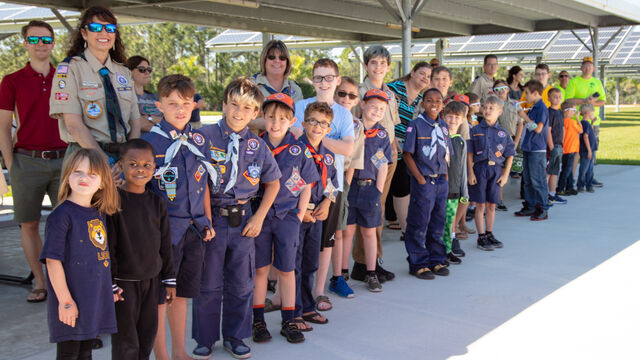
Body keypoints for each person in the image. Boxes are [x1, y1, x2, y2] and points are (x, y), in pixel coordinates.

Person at [193, 78, 281, 359]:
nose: (239, 112)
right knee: (208, 282)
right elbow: (199, 184)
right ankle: (205, 338)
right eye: (233, 104)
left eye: (247, 107)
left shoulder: (257, 145)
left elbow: (274, 183)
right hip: (213, 220)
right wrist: (204, 220)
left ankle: (235, 336)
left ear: (255, 113)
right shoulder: (204, 137)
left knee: (241, 282)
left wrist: (258, 218)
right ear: (223, 105)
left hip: (244, 220)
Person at [141, 74, 216, 360]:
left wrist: (206, 220)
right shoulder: (149, 145)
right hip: (163, 234)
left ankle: (180, 352)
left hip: (194, 231)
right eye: (172, 103)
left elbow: (204, 184)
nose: (180, 109)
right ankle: (161, 355)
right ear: (159, 105)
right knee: (160, 298)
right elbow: (141, 194)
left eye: (186, 102)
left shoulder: (199, 140)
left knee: (182, 294)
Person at [0, 20, 67, 303]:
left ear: (53, 43)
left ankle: (65, 282)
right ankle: (40, 282)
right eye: (35, 39)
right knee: (29, 224)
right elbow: (3, 126)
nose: (41, 44)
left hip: (64, 159)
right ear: (25, 43)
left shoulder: (65, 78)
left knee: (68, 222)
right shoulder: (12, 81)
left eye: (46, 39)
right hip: (26, 161)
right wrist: (11, 164)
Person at [39, 148, 120, 359]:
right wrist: (65, 301)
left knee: (85, 353)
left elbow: (97, 257)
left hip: (92, 300)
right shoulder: (61, 215)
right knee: (69, 354)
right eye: (77, 172)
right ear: (67, 176)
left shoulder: (98, 214)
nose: (84, 178)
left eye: (92, 174)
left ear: (102, 182)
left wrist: (106, 291)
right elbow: (52, 261)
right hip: (71, 301)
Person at [251, 93, 317, 344]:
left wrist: (299, 216)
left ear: (292, 120)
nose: (275, 123)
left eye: (282, 118)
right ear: (263, 118)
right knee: (260, 270)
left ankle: (289, 320)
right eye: (270, 117)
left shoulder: (299, 149)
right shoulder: (255, 145)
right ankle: (258, 320)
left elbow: (307, 184)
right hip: (260, 215)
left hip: (287, 216)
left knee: (287, 270)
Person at [290, 58, 355, 312]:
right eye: (318, 77)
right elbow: (294, 135)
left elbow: (348, 148)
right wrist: (328, 136)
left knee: (326, 240)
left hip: (330, 185)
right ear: (312, 80)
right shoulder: (299, 106)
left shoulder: (343, 113)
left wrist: (316, 135)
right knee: (295, 241)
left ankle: (318, 291)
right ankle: (290, 293)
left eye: (329, 77)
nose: (323, 82)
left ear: (337, 81)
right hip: (299, 185)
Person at [107, 139, 176, 360]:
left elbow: (165, 243)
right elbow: (109, 247)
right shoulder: (113, 203)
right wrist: (111, 283)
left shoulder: (157, 202)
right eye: (133, 164)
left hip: (152, 281)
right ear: (121, 166)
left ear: (154, 168)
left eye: (147, 165)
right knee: (126, 342)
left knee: (147, 337)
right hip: (124, 284)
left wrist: (168, 279)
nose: (140, 169)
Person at [49, 6, 141, 166]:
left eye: (110, 28)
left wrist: (128, 160)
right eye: (96, 28)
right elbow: (73, 126)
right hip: (84, 156)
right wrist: (104, 162)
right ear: (84, 33)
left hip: (122, 158)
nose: (104, 33)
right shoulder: (69, 69)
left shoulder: (123, 72)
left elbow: (135, 122)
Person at [351, 46, 399, 285]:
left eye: (383, 63)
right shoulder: (359, 92)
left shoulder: (390, 94)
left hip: (386, 154)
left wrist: (394, 149)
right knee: (365, 210)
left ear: (388, 67)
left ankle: (373, 261)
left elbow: (393, 124)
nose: (378, 67)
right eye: (373, 63)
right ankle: (362, 264)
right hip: (363, 159)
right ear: (366, 65)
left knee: (376, 210)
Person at [342, 89, 392, 292]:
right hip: (350, 186)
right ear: (362, 105)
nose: (377, 111)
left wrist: (378, 191)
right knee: (347, 231)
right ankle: (342, 271)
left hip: (370, 187)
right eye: (373, 106)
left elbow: (383, 165)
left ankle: (371, 273)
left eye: (381, 108)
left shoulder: (381, 135)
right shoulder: (351, 127)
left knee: (369, 232)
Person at [295, 102, 339, 331]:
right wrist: (301, 211)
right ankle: (293, 311)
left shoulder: (328, 156)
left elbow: (333, 184)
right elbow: (289, 184)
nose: (317, 126)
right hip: (297, 215)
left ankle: (307, 306)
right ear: (303, 123)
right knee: (294, 263)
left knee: (311, 262)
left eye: (323, 123)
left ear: (329, 128)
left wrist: (327, 201)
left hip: (317, 215)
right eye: (313, 121)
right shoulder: (293, 150)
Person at [402, 88, 451, 280]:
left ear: (442, 104)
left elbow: (446, 154)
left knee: (438, 221)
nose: (434, 104)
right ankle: (418, 262)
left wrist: (445, 176)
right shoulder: (416, 125)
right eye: (429, 100)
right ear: (423, 103)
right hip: (424, 181)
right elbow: (407, 154)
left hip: (440, 180)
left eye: (438, 101)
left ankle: (436, 259)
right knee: (419, 222)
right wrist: (420, 180)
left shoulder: (444, 126)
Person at [386, 62, 431, 236]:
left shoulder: (421, 100)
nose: (425, 78)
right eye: (422, 73)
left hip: (405, 153)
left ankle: (408, 232)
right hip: (385, 148)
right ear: (412, 73)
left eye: (428, 76)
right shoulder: (393, 89)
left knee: (403, 189)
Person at [467, 95, 515, 251]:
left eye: (491, 108)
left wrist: (506, 174)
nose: (487, 110)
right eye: (485, 107)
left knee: (492, 205)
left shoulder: (503, 133)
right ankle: (481, 236)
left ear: (499, 111)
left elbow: (510, 154)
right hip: (480, 169)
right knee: (480, 204)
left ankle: (489, 233)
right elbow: (469, 153)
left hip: (495, 170)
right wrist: (470, 173)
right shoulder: (475, 130)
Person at [330, 77, 364, 298]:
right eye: (341, 93)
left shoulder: (357, 126)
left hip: (340, 179)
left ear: (357, 100)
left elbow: (354, 160)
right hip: (316, 178)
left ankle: (338, 277)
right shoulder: (322, 116)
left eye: (351, 95)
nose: (346, 98)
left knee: (338, 232)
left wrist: (346, 186)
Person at [565, 56, 606, 188]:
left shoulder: (597, 82)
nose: (587, 68)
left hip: (593, 122)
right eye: (585, 65)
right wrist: (584, 101)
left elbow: (603, 100)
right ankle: (571, 178)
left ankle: (589, 178)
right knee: (576, 151)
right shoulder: (574, 82)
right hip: (576, 122)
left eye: (590, 65)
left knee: (591, 151)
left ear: (593, 68)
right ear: (581, 67)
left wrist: (592, 102)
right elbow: (569, 100)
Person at [515, 80, 550, 221]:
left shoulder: (541, 108)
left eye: (527, 93)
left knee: (538, 179)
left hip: (537, 149)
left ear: (536, 93)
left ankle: (542, 207)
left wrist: (524, 116)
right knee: (528, 179)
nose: (526, 96)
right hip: (529, 147)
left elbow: (538, 128)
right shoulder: (533, 107)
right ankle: (530, 205)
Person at [441, 101, 468, 264]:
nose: (452, 121)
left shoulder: (461, 142)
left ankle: (448, 249)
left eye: (457, 117)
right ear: (444, 117)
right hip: (440, 188)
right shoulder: (441, 138)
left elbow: (463, 168)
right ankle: (440, 251)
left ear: (463, 119)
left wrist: (464, 191)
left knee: (450, 221)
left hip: (455, 189)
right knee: (440, 221)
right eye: (450, 117)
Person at [494, 79, 525, 211]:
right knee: (498, 170)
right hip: (497, 141)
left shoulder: (515, 104)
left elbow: (520, 123)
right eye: (497, 89)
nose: (501, 91)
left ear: (508, 89)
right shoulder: (493, 104)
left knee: (509, 169)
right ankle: (498, 199)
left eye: (503, 88)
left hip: (511, 139)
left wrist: (516, 141)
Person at [127, 55, 161, 132]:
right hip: (139, 141)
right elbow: (135, 122)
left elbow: (170, 120)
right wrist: (161, 130)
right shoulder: (125, 97)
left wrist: (149, 117)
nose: (147, 73)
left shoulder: (156, 97)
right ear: (129, 72)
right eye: (142, 69)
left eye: (149, 69)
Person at [547, 87, 567, 205]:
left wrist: (562, 144)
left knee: (555, 171)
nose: (558, 99)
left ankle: (552, 193)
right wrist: (551, 146)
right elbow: (548, 130)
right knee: (548, 171)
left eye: (559, 97)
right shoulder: (550, 113)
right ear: (549, 98)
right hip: (552, 146)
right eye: (555, 97)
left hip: (559, 145)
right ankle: (544, 195)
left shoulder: (560, 112)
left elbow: (563, 129)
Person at [557, 100, 582, 196]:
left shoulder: (562, 121)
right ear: (566, 111)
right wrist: (578, 119)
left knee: (568, 168)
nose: (574, 113)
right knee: (567, 169)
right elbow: (581, 130)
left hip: (566, 149)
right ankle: (560, 187)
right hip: (570, 149)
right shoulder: (571, 122)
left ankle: (569, 186)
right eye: (573, 110)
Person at [577, 103, 597, 193]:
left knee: (590, 168)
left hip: (590, 150)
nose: (593, 114)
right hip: (586, 150)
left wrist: (592, 123)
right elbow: (585, 136)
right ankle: (580, 185)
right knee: (584, 168)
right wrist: (589, 150)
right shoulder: (585, 124)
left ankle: (589, 185)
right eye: (592, 113)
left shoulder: (587, 124)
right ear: (586, 113)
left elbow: (589, 133)